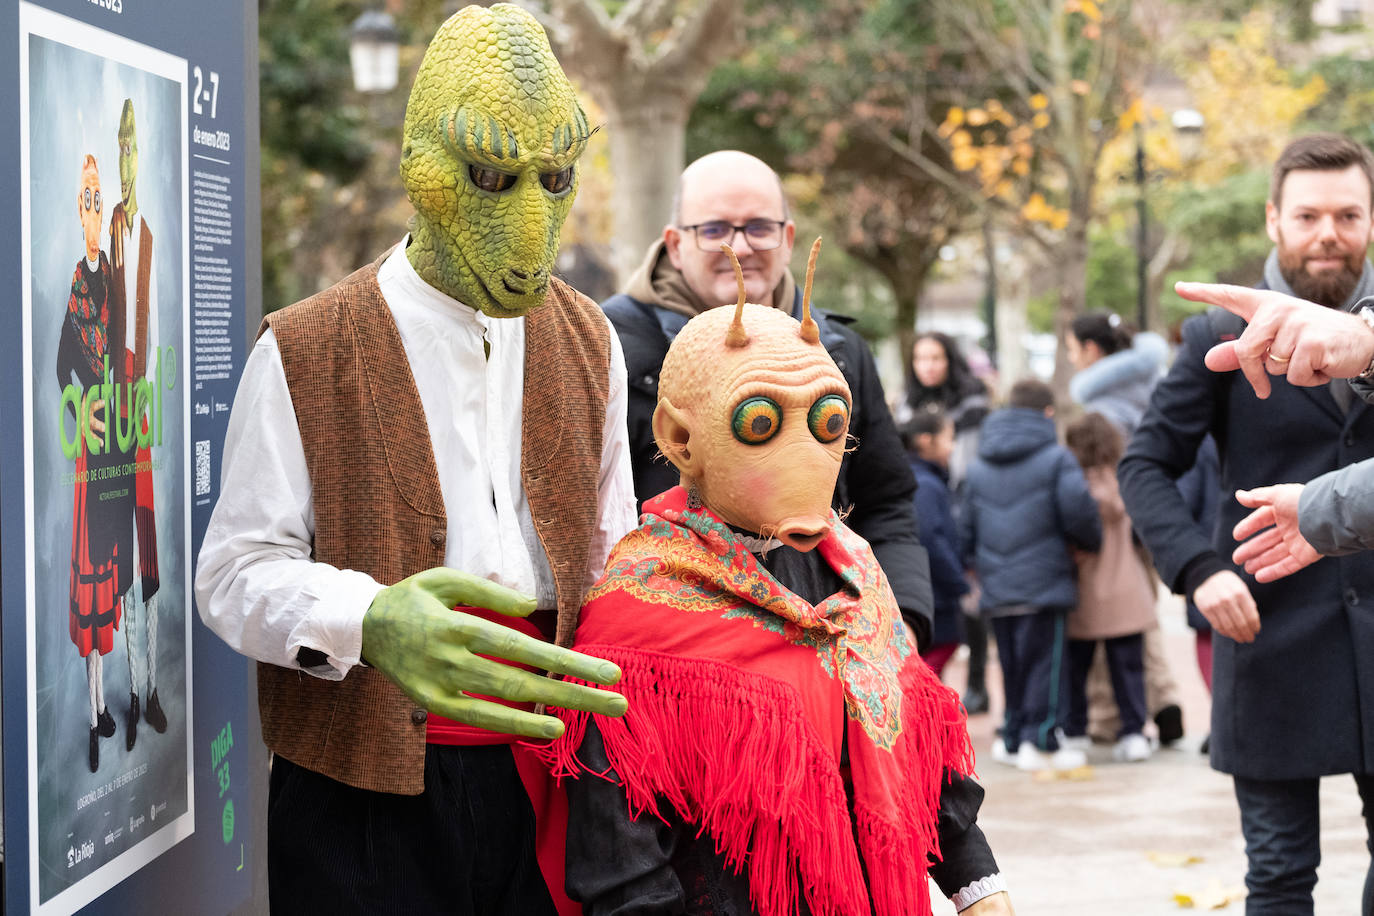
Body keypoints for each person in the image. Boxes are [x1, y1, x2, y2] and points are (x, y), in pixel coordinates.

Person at [195, 7, 634, 911]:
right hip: (357, 804)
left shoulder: (593, 339)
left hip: (553, 786)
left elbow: (611, 554)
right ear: (422, 167)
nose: (531, 225)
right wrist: (366, 617)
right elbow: (233, 572)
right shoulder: (304, 348)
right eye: (491, 176)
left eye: (555, 177)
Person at [548, 265, 1013, 915]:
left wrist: (978, 887)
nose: (807, 453)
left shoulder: (856, 572)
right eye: (762, 421)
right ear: (679, 438)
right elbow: (620, 855)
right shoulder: (638, 609)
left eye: (826, 422)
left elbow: (923, 761)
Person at [1118, 132, 1374, 913]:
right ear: (1273, 220)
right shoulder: (1214, 334)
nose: (1327, 233)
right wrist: (1200, 569)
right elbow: (1144, 464)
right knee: (1279, 874)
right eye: (1307, 216)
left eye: (1348, 214)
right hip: (1267, 633)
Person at [600, 150, 935, 650]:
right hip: (673, 647)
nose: (741, 246)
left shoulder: (838, 351)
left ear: (789, 237)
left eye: (760, 227)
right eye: (714, 229)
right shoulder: (606, 346)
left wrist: (904, 618)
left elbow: (885, 500)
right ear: (674, 243)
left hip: (827, 637)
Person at [961, 378, 1101, 772]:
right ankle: (1039, 740)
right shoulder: (1056, 458)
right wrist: (1090, 543)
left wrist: (976, 562)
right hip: (1045, 580)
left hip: (997, 584)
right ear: (1048, 413)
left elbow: (965, 527)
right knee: (1045, 663)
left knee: (1010, 663)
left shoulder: (979, 464)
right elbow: (1078, 511)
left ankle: (1013, 733)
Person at [1064, 310, 1185, 746]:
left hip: (1114, 525)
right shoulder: (1155, 384)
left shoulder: (1101, 406)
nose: (1073, 358)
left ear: (1093, 350)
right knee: (1140, 611)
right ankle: (1165, 699)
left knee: (1106, 618)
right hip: (1159, 512)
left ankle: (1107, 717)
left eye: (1074, 350)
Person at [56, 154, 119, 772]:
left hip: (119, 453)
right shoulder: (80, 283)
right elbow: (61, 371)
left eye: (100, 202)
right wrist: (84, 410)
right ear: (79, 213)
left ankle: (105, 706)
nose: (95, 212)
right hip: (92, 460)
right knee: (91, 577)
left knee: (112, 573)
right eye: (88, 202)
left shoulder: (113, 281)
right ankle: (91, 709)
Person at [108, 98, 168, 749]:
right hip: (109, 419)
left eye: (133, 146)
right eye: (120, 146)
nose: (127, 158)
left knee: (145, 566)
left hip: (140, 417)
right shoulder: (107, 233)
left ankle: (148, 691)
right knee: (120, 566)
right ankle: (131, 687)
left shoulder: (145, 233)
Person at [898, 331, 993, 712]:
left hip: (963, 500)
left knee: (970, 604)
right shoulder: (905, 404)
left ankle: (978, 684)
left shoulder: (972, 402)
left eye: (936, 358)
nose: (929, 366)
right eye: (921, 359)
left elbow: (971, 460)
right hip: (927, 500)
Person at [1061, 412, 1154, 764]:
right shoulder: (1125, 480)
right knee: (1129, 667)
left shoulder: (1074, 485)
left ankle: (1075, 731)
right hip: (1127, 587)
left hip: (1084, 589)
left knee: (1075, 668)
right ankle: (1134, 732)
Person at [902, 410, 969, 678]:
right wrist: (958, 581)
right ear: (925, 441)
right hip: (934, 595)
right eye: (948, 438)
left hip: (931, 591)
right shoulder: (926, 485)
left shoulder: (923, 479)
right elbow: (930, 537)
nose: (952, 446)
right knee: (926, 669)